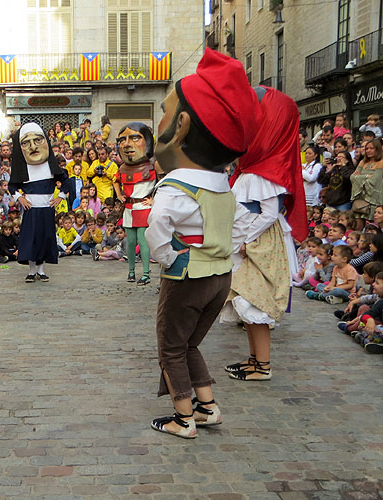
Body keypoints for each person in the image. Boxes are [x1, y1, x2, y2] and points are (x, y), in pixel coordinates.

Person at [145, 49, 259, 439]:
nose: (159, 122)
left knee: (171, 347)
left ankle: (183, 418)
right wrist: (223, 250)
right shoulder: (223, 186)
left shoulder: (176, 186)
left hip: (188, 275)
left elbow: (157, 225)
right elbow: (240, 225)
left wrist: (167, 256)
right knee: (190, 344)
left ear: (181, 126)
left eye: (164, 112)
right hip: (220, 276)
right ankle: (207, 407)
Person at [222, 86, 308, 383]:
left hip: (257, 245)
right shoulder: (251, 170)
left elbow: (269, 213)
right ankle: (254, 360)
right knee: (243, 301)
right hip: (247, 243)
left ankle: (263, 365)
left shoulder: (265, 172)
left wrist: (246, 241)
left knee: (253, 302)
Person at [9, 122, 68, 283]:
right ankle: (31, 271)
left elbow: (66, 181)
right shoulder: (23, 169)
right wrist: (20, 198)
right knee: (31, 239)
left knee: (45, 238)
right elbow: (12, 186)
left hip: (47, 208)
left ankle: (41, 271)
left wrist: (60, 196)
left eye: (38, 140)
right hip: (31, 209)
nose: (33, 147)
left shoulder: (51, 167)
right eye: (26, 143)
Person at [113, 122, 156, 286]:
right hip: (129, 208)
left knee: (143, 241)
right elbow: (115, 180)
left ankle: (145, 273)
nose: (127, 144)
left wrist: (154, 199)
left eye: (135, 138)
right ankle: (131, 271)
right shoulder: (122, 168)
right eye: (122, 140)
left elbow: (162, 184)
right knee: (130, 242)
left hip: (143, 207)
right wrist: (119, 195)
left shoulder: (152, 167)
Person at [350, 140, 383, 229]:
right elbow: (352, 177)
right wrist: (366, 177)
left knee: (371, 228)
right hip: (360, 198)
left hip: (373, 199)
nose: (368, 150)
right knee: (357, 227)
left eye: (371, 148)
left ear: (377, 149)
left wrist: (359, 177)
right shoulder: (362, 162)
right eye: (367, 148)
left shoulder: (381, 163)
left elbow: (374, 181)